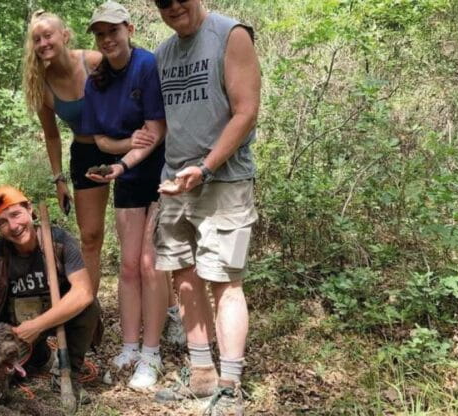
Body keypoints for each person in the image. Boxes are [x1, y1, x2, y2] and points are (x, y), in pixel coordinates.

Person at [151, 0, 261, 414]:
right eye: (162, 1)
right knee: (183, 274)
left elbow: (246, 112)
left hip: (224, 181)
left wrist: (206, 167)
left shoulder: (231, 35)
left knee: (225, 281)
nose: (172, 6)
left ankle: (230, 386)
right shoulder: (163, 53)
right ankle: (201, 374)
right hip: (176, 182)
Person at [79, 1, 168, 390]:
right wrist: (125, 149)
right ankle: (130, 345)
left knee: (151, 264)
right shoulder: (95, 81)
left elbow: (157, 131)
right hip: (127, 175)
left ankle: (152, 352)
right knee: (129, 266)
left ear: (129, 29)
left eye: (113, 30)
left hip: (161, 174)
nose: (107, 39)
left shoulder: (147, 65)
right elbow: (99, 139)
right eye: (100, 34)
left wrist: (122, 161)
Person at [0, 185, 100, 401]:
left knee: (89, 307)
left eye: (16, 214)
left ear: (29, 209)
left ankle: (69, 373)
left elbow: (84, 292)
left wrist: (37, 325)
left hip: (58, 318)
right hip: (17, 330)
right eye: (3, 222)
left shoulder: (59, 241)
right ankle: (39, 357)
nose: (13, 226)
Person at [21, 10, 107, 295]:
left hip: (126, 146)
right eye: (37, 39)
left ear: (65, 35)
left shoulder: (94, 62)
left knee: (142, 234)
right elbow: (52, 135)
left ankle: (169, 307)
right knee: (90, 236)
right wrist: (59, 179)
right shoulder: (41, 84)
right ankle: (88, 307)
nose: (43, 43)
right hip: (86, 152)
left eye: (48, 35)